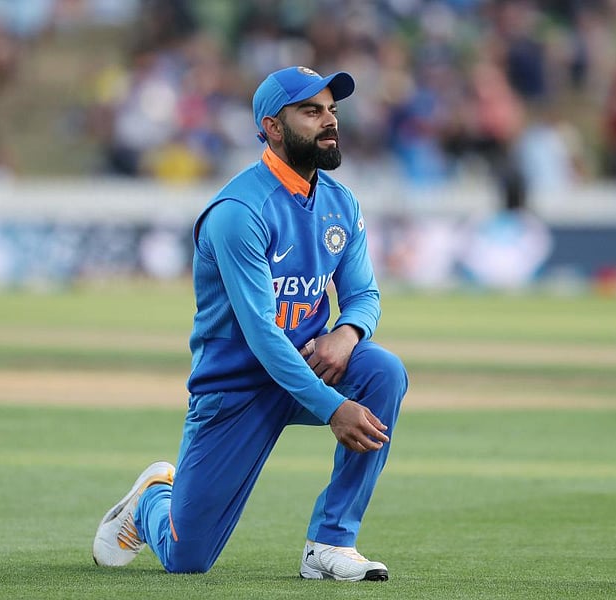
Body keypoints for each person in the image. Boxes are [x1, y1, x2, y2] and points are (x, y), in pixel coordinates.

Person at [92, 66, 408, 582]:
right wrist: (333, 408)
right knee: (186, 559)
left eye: (331, 109)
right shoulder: (240, 210)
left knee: (383, 372)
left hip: (307, 365)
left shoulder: (340, 202)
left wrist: (346, 333)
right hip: (236, 385)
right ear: (273, 127)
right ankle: (151, 501)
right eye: (311, 111)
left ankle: (331, 542)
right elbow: (261, 333)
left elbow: (364, 295)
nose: (329, 121)